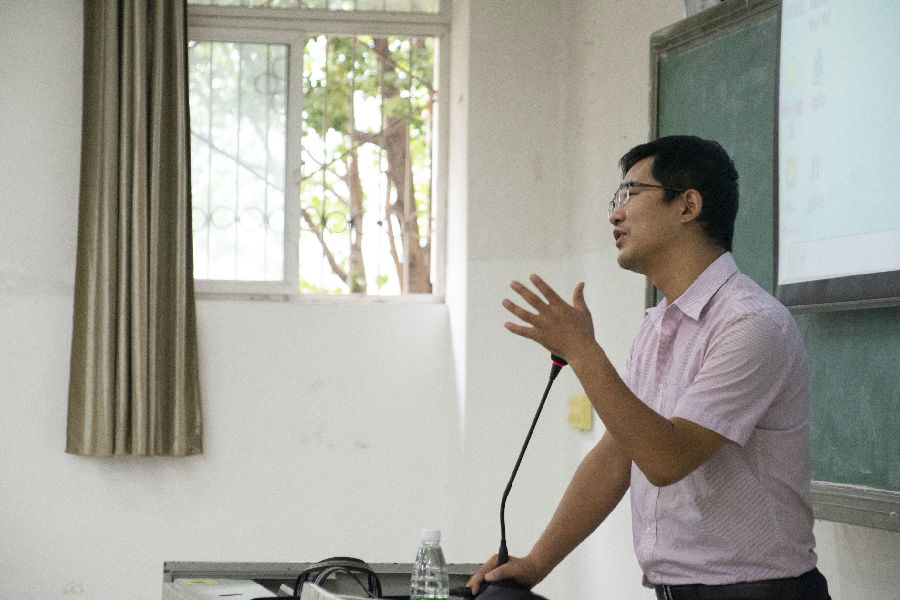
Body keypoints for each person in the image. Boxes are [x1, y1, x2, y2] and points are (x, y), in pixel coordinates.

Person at [467, 136, 831, 600]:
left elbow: (665, 459)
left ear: (687, 206)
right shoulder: (659, 325)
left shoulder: (751, 324)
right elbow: (619, 455)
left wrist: (582, 351)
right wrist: (535, 564)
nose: (615, 215)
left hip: (760, 592)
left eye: (631, 194)